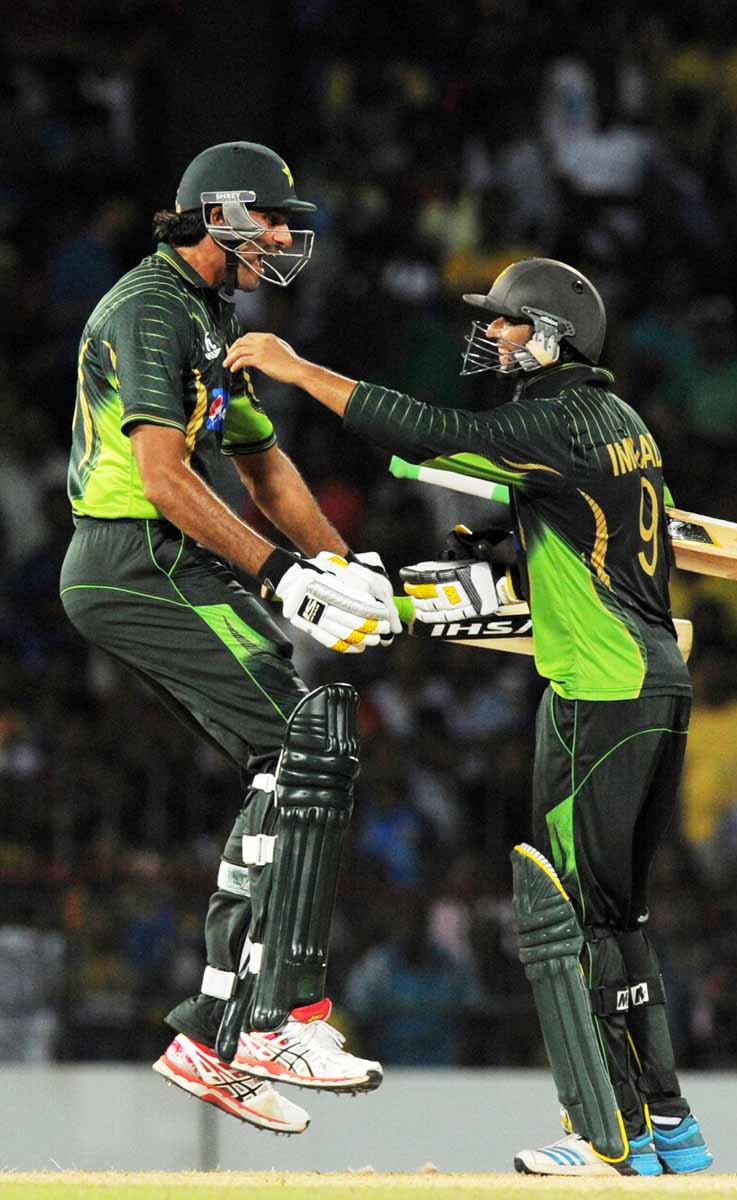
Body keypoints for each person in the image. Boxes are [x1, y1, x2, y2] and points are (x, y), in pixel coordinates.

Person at [223, 257, 713, 1174]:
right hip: (656, 686)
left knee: (569, 919)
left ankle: (603, 1137)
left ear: (554, 337)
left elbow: (428, 436)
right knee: (620, 920)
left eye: (510, 322)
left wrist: (296, 370)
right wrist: (499, 542)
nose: (493, 334)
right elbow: (577, 522)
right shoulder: (617, 423)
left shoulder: (554, 419)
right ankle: (669, 1132)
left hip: (597, 693)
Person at [60, 141, 403, 1135]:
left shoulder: (208, 313)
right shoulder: (151, 309)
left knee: (289, 754)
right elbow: (166, 476)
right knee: (309, 738)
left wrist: (350, 575)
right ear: (220, 216)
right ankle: (277, 1018)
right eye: (274, 219)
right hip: (138, 555)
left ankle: (209, 1037)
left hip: (167, 558)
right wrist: (283, 576)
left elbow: (266, 468)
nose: (289, 237)